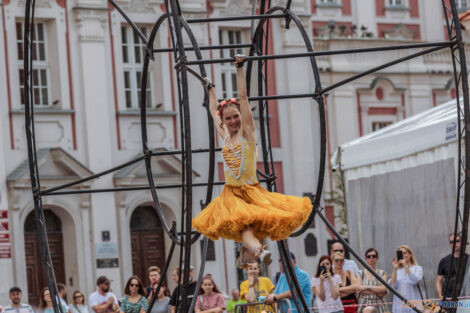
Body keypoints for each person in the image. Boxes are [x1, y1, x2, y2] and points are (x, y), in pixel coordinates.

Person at [192, 56, 312, 266]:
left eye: (235, 116)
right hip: (231, 194)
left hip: (250, 191)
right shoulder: (225, 135)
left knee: (249, 225)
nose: (233, 121)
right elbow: (213, 110)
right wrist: (210, 90)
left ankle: (256, 250)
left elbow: (243, 97)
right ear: (224, 122)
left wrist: (239, 69)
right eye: (228, 118)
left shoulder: (247, 133)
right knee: (244, 228)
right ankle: (258, 251)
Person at [390, 245, 423, 313]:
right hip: (399, 306)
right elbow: (392, 286)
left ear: (410, 254)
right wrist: (395, 269)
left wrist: (406, 265)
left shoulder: (417, 268)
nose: (403, 255)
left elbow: (415, 280)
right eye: (400, 254)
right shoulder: (398, 271)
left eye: (405, 253)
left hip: (414, 304)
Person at [436, 233, 469, 299]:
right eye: (452, 242)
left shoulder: (468, 259)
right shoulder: (444, 261)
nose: (454, 244)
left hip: (466, 297)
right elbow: (439, 281)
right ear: (450, 244)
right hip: (448, 298)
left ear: (462, 242)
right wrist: (440, 295)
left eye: (457, 241)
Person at [357, 248, 387, 313]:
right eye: (369, 256)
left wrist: (367, 287)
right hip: (364, 304)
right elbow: (359, 289)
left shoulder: (382, 273)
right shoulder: (361, 273)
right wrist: (378, 292)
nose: (371, 258)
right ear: (366, 259)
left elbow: (384, 289)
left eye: (374, 256)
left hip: (379, 304)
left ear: (377, 258)